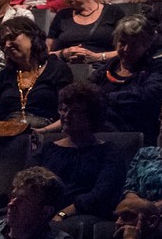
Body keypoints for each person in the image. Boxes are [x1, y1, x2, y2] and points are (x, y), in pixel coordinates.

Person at [29, 82, 127, 221]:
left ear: (92, 116)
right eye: (63, 109)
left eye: (74, 111)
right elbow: (30, 182)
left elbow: (101, 195)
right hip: (46, 211)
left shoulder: (109, 153)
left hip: (83, 214)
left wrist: (63, 213)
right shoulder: (49, 149)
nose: (66, 115)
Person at [88, 16, 162, 144]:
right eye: (122, 43)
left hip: (136, 136)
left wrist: (105, 98)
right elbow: (87, 95)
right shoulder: (108, 68)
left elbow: (148, 96)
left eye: (134, 44)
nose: (127, 49)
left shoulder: (157, 68)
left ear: (146, 45)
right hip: (99, 133)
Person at [0, 16, 73, 132]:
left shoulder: (57, 70)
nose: (7, 44)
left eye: (11, 37)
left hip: (47, 135)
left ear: (31, 36)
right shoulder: (2, 77)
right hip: (8, 136)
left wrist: (43, 131)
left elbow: (69, 115)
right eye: (3, 42)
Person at [46, 0, 125, 62]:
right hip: (66, 70)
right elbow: (45, 53)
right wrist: (63, 53)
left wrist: (97, 57)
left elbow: (127, 50)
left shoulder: (113, 12)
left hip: (103, 69)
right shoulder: (62, 16)